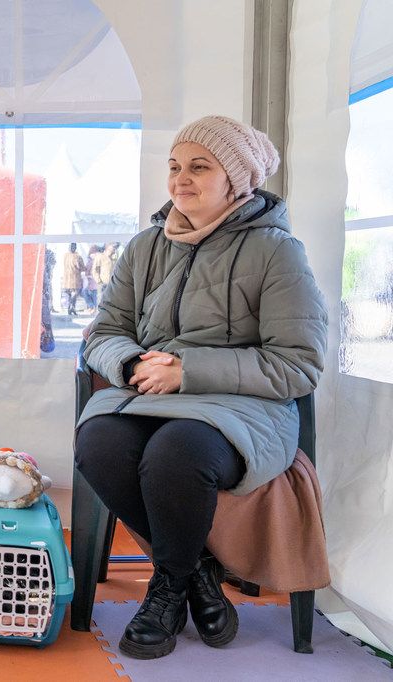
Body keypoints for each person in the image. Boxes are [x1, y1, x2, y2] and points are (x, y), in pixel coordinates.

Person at [73, 116, 326, 660]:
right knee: (97, 443)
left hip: (243, 408)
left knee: (176, 453)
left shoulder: (278, 252)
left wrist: (188, 371)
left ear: (236, 180)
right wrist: (133, 361)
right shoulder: (144, 248)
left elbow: (298, 364)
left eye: (199, 167)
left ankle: (165, 592)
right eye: (174, 167)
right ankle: (196, 574)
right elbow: (104, 331)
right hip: (151, 393)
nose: (180, 179)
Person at [62, 242, 85, 316]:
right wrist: (86, 268)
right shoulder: (77, 256)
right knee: (74, 294)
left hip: (66, 279)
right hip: (74, 278)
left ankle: (69, 308)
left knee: (69, 294)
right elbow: (81, 267)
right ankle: (72, 308)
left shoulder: (65, 256)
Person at [92, 241, 118, 305]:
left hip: (112, 283)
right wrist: (99, 281)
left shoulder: (115, 258)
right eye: (113, 246)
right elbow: (95, 270)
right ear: (107, 247)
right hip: (102, 283)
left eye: (115, 247)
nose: (114, 248)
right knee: (100, 300)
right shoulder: (100, 257)